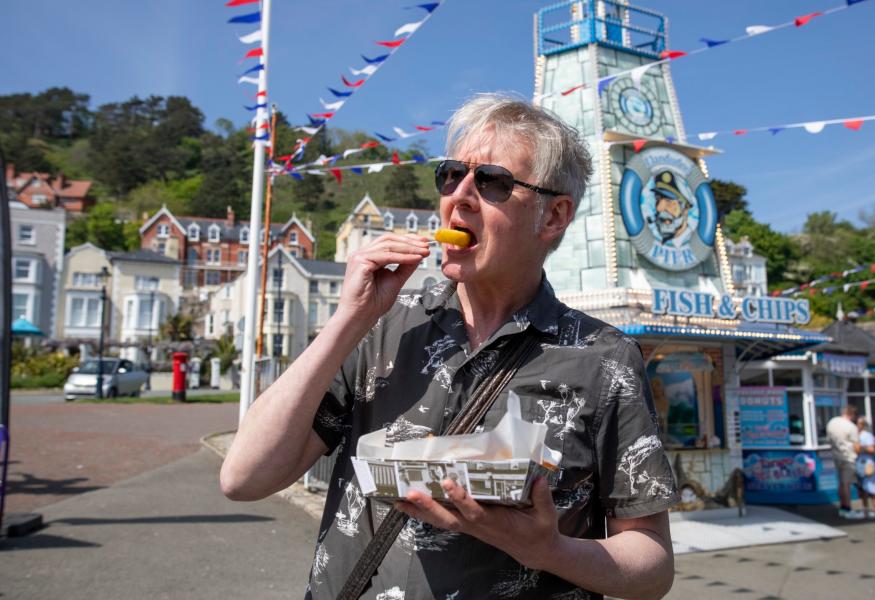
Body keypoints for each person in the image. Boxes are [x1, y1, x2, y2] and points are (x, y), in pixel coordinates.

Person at [220, 94, 678, 600]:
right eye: (450, 175)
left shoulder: (602, 357)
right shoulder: (382, 324)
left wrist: (549, 550)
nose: (458, 196)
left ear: (553, 216)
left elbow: (652, 564)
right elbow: (244, 478)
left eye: (491, 182)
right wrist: (348, 319)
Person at [827, 405, 863, 519]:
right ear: (852, 415)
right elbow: (857, 446)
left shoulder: (832, 422)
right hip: (848, 458)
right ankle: (847, 508)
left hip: (837, 456)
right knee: (846, 484)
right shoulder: (851, 427)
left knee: (842, 483)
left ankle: (842, 507)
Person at [855, 417, 875, 519]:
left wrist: (861, 448)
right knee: (862, 489)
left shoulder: (867, 435)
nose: (856, 426)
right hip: (859, 464)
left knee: (872, 487)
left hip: (868, 464)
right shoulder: (856, 435)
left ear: (863, 425)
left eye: (859, 424)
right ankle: (865, 510)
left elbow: (873, 450)